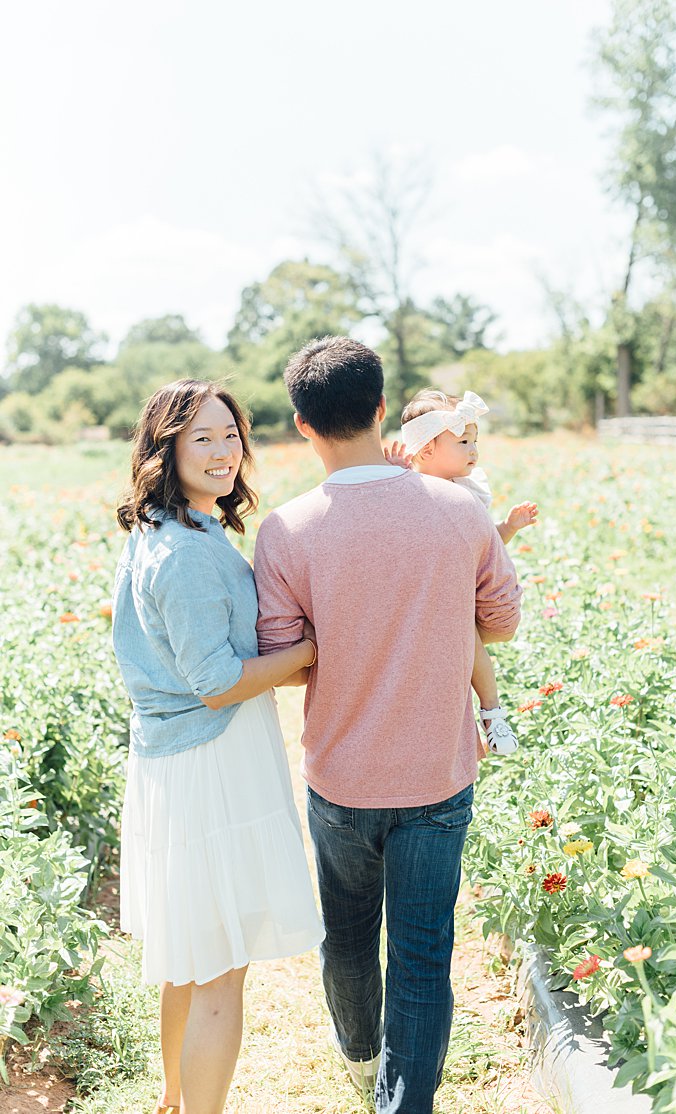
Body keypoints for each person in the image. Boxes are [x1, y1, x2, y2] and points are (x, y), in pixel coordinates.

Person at [252, 337, 522, 1112]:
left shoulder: (286, 530)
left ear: (302, 426)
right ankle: (405, 1100)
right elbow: (499, 624)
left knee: (346, 933)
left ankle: (359, 1048)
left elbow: (285, 656)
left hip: (340, 774)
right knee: (423, 953)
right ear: (381, 409)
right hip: (438, 771)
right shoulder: (457, 510)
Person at [111, 379, 323, 1114]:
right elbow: (215, 681)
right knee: (221, 970)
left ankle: (173, 1099)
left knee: (190, 955)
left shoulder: (177, 528)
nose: (223, 451)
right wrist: (308, 653)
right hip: (210, 761)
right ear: (165, 448)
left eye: (230, 434)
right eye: (202, 437)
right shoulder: (186, 552)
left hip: (184, 758)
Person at [384, 388, 538, 756]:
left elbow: (486, 549)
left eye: (474, 440)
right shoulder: (406, 485)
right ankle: (467, 730)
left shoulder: (469, 492)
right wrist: (392, 476)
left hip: (459, 597)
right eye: (463, 440)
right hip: (421, 597)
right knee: (437, 674)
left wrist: (509, 527)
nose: (473, 450)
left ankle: (492, 713)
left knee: (468, 651)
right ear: (425, 450)